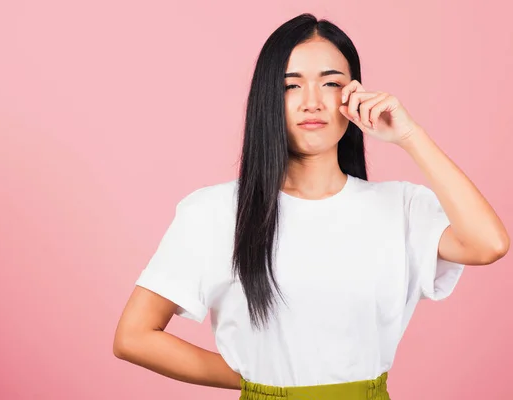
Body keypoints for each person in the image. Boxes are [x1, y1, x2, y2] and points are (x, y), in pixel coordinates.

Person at [113, 13, 509, 400]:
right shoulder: (213, 212)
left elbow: (488, 244)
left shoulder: (401, 206)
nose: (312, 102)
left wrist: (410, 136)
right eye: (291, 86)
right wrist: (256, 381)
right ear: (267, 98)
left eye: (331, 83)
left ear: (354, 95)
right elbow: (134, 336)